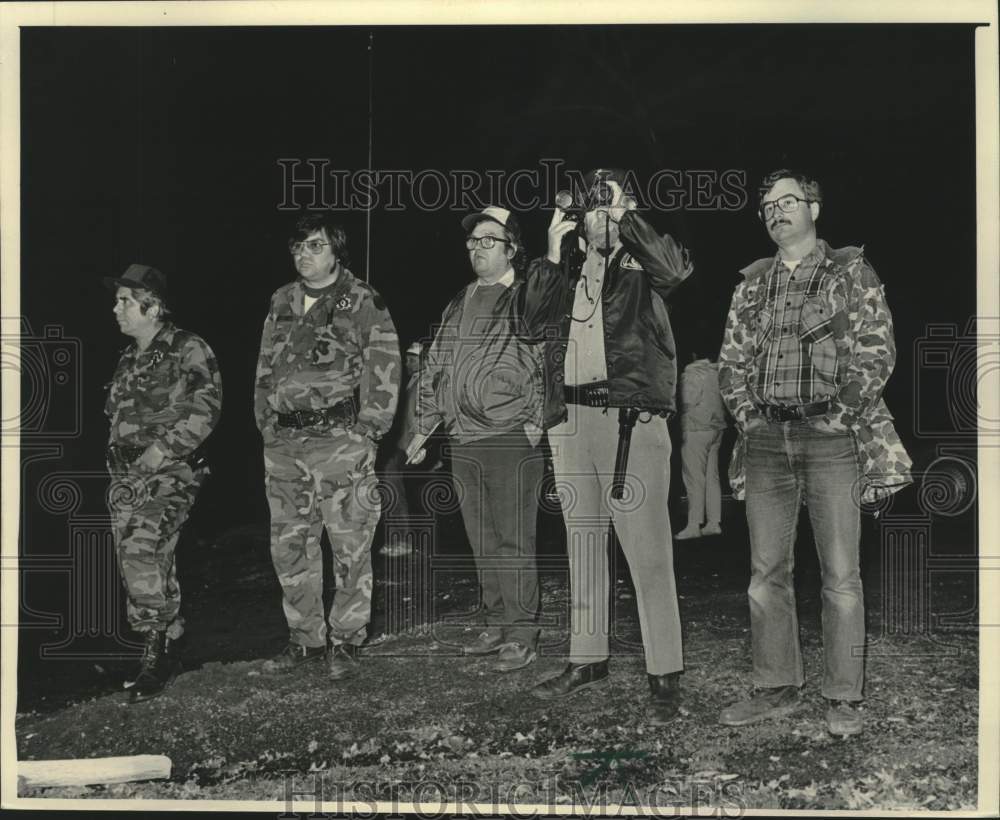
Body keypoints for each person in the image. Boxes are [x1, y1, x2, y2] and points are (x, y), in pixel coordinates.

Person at [717, 168, 911, 737]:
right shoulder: (751, 283)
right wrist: (750, 420)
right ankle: (776, 684)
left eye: (788, 201)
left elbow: (878, 350)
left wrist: (841, 418)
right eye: (768, 206)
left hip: (832, 441)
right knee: (764, 573)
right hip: (764, 443)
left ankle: (844, 696)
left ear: (814, 208)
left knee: (841, 575)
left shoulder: (850, 270)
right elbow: (730, 362)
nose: (777, 212)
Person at [519, 169, 694, 724]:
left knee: (648, 549)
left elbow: (678, 268)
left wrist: (622, 214)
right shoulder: (569, 269)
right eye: (589, 207)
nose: (594, 216)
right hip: (570, 417)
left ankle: (664, 672)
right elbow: (527, 322)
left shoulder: (641, 264)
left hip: (629, 418)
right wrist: (551, 247)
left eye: (605, 204)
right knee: (583, 544)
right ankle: (586, 658)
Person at [255, 214, 400, 680]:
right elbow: (265, 368)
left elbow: (385, 365)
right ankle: (306, 640)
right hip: (285, 444)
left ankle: (346, 641)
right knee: (289, 545)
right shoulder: (281, 299)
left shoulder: (361, 300)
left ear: (337, 253)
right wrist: (266, 424)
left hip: (340, 441)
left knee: (350, 544)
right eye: (298, 247)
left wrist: (370, 430)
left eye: (315, 246)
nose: (304, 255)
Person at [407, 206, 546, 673]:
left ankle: (523, 630)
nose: (477, 248)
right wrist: (425, 425)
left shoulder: (529, 296)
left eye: (489, 239)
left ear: (513, 248)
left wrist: (537, 418)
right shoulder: (459, 302)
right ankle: (496, 620)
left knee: (514, 538)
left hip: (509, 436)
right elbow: (436, 365)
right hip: (463, 438)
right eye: (473, 241)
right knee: (481, 537)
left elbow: (552, 355)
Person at [103, 263, 223, 703]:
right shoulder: (129, 357)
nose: (116, 309)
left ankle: (155, 649)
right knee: (148, 557)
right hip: (127, 475)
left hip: (173, 469)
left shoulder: (186, 348)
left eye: (124, 302)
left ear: (151, 307)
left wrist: (161, 450)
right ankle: (169, 638)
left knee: (142, 546)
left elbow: (207, 408)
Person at [674, 351, 729, 539]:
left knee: (694, 478)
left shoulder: (692, 372)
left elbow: (688, 401)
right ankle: (714, 523)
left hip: (695, 428)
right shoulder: (717, 372)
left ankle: (693, 525)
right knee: (712, 477)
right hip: (717, 428)